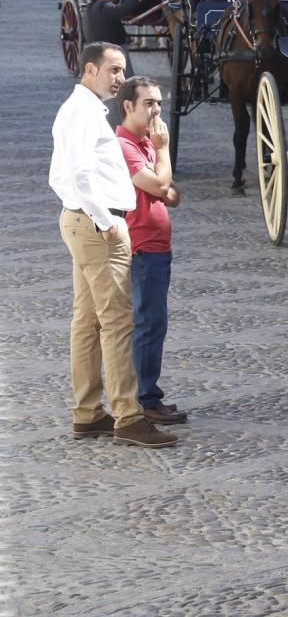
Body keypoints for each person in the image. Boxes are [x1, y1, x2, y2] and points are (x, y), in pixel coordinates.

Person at [49, 42, 179, 449]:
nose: (121, 78)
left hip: (81, 219)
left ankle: (88, 413)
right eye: (115, 70)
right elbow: (80, 173)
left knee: (86, 322)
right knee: (118, 323)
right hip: (97, 223)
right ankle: (128, 416)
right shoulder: (84, 112)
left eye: (123, 70)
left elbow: (59, 176)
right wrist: (105, 223)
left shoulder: (79, 109)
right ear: (91, 70)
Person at [115, 77, 187, 425]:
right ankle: (144, 398)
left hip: (158, 246)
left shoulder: (145, 142)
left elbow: (173, 195)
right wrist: (162, 151)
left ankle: (148, 394)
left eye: (158, 102)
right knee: (148, 323)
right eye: (148, 103)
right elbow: (161, 184)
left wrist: (162, 182)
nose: (156, 109)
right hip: (143, 247)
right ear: (128, 105)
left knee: (155, 323)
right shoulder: (126, 146)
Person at [81, 0, 166, 81]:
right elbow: (123, 9)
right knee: (128, 84)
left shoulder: (90, 9)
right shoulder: (104, 6)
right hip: (113, 53)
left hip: (99, 55)